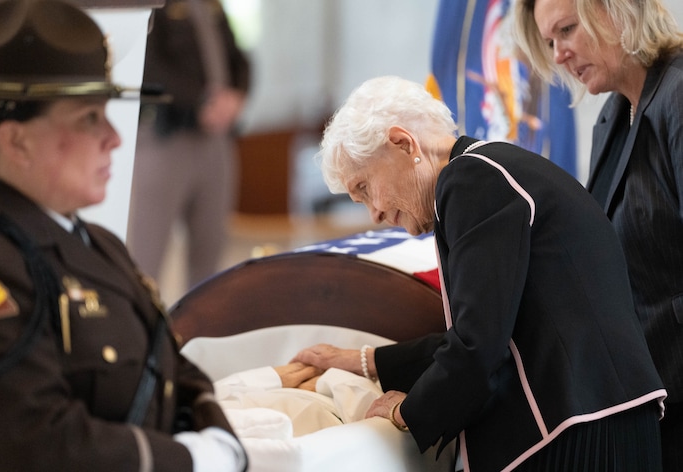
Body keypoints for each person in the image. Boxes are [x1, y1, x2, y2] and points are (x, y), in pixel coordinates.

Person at [291, 75, 666, 471]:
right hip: (609, 425)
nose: (375, 213)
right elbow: (496, 333)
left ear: (403, 144)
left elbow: (478, 346)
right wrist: (364, 360)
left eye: (365, 188)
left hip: (580, 437)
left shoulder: (470, 179)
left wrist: (406, 412)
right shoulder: (493, 167)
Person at [0, 1, 246, 470]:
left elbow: (171, 365)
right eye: (88, 118)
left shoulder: (100, 244)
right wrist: (189, 460)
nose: (114, 137)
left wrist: (216, 436)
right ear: (15, 141)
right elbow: (36, 440)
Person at [512, 0, 683, 468]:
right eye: (549, 42)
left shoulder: (680, 93)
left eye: (567, 30)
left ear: (618, 10)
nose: (559, 55)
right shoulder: (613, 114)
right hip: (645, 407)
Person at [127, 0, 250, 291]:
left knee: (210, 255)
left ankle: (200, 332)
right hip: (166, 139)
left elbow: (239, 59)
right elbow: (146, 62)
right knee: (146, 259)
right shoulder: (151, 5)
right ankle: (144, 333)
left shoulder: (210, 5)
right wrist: (201, 101)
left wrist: (236, 96)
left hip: (215, 142)